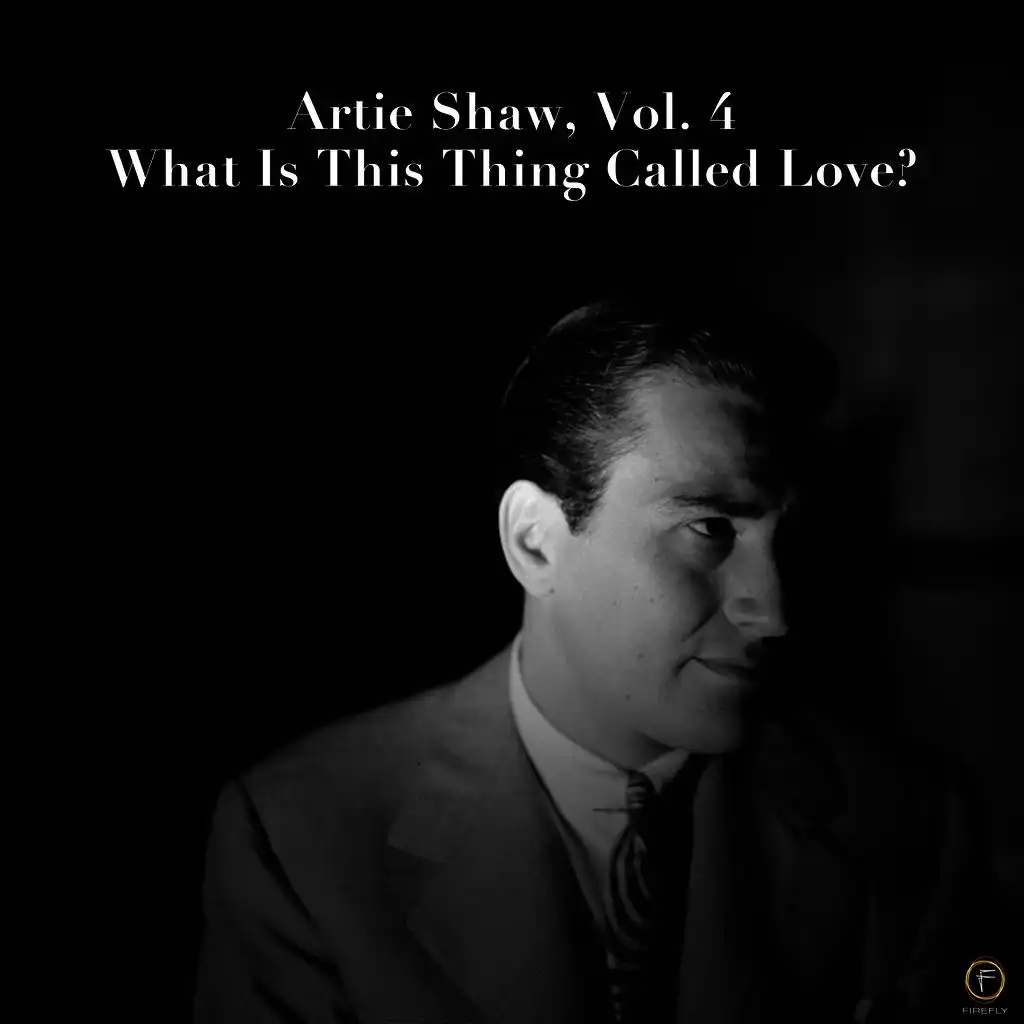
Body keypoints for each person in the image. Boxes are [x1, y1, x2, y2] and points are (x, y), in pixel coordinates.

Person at [193, 297, 995, 1023]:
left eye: (787, 537)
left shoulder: (910, 828)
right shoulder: (302, 836)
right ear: (535, 543)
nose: (773, 610)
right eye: (710, 529)